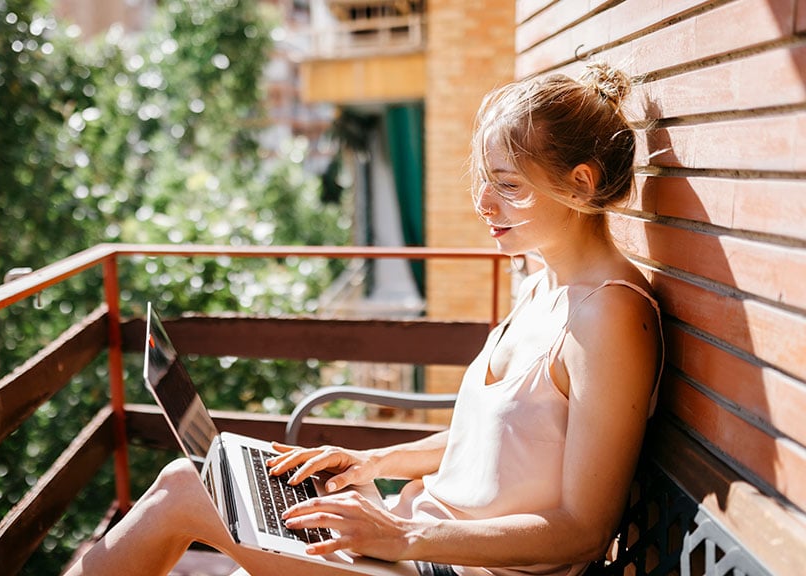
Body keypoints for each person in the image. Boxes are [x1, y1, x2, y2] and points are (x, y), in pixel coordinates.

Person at [64, 61, 663, 576]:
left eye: (507, 185)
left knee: (186, 487)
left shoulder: (611, 317)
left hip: (443, 563)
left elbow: (583, 530)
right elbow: (497, 444)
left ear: (579, 185)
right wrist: (374, 463)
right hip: (414, 540)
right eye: (485, 180)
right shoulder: (541, 285)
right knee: (229, 487)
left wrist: (404, 536)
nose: (483, 203)